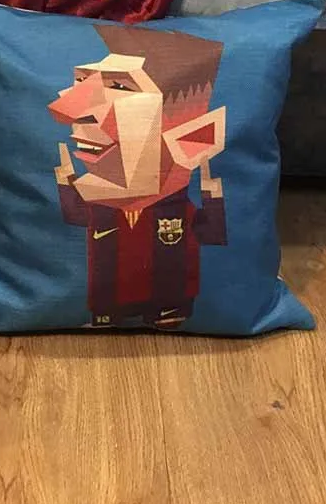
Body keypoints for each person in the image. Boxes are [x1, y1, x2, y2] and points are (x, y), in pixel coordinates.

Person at [48, 22, 227, 330]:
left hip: (168, 301)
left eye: (119, 87)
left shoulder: (177, 208)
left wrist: (212, 193)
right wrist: (65, 179)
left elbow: (212, 234)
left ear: (195, 139)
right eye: (82, 81)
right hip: (110, 303)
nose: (67, 110)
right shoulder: (100, 207)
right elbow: (76, 215)